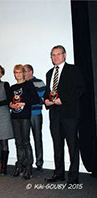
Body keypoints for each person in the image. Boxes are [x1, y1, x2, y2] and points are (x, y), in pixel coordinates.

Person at [44, 45, 84, 184]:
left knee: (72, 146)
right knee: (57, 145)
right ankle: (59, 173)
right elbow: (48, 92)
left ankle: (73, 177)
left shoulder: (73, 70)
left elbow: (80, 89)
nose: (55, 57)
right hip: (54, 115)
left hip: (70, 114)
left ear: (65, 55)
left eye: (58, 54)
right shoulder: (49, 73)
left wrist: (64, 100)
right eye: (53, 55)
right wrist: (46, 101)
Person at [10, 64, 39, 180]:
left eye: (19, 72)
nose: (18, 75)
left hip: (25, 116)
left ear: (23, 73)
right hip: (15, 117)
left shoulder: (28, 84)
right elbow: (9, 101)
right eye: (15, 73)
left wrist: (24, 103)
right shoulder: (12, 87)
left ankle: (29, 167)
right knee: (18, 142)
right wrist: (11, 104)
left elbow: (36, 99)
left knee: (26, 141)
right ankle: (20, 165)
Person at [24, 64, 46, 171]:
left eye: (26, 71)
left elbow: (44, 98)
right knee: (25, 139)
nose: (24, 73)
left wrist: (32, 100)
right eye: (23, 71)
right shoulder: (22, 84)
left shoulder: (39, 82)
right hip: (24, 114)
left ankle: (39, 162)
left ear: (31, 72)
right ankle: (28, 161)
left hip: (35, 113)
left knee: (37, 138)